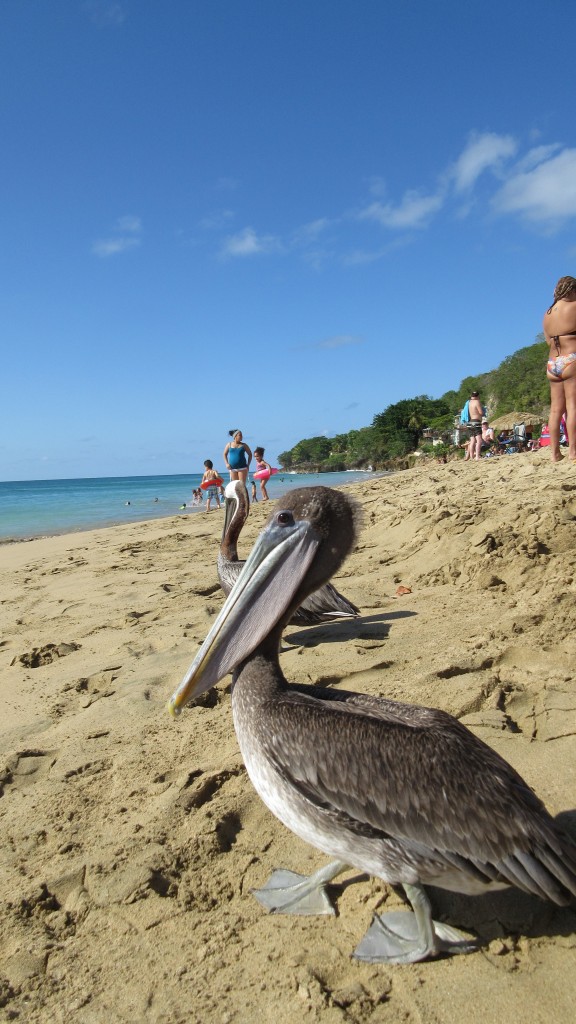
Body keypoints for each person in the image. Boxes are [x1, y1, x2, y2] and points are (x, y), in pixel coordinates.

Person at [543, 275, 576, 462]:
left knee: (556, 410)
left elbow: (549, 341)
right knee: (573, 407)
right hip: (571, 359)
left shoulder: (547, 313)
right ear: (571, 290)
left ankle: (555, 453)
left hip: (552, 363)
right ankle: (573, 452)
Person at [464, 391, 485, 461]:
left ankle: (471, 456)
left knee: (472, 440)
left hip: (470, 423)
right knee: (479, 440)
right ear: (478, 396)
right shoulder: (477, 402)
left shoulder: (469, 403)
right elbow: (481, 412)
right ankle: (477, 456)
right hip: (476, 422)